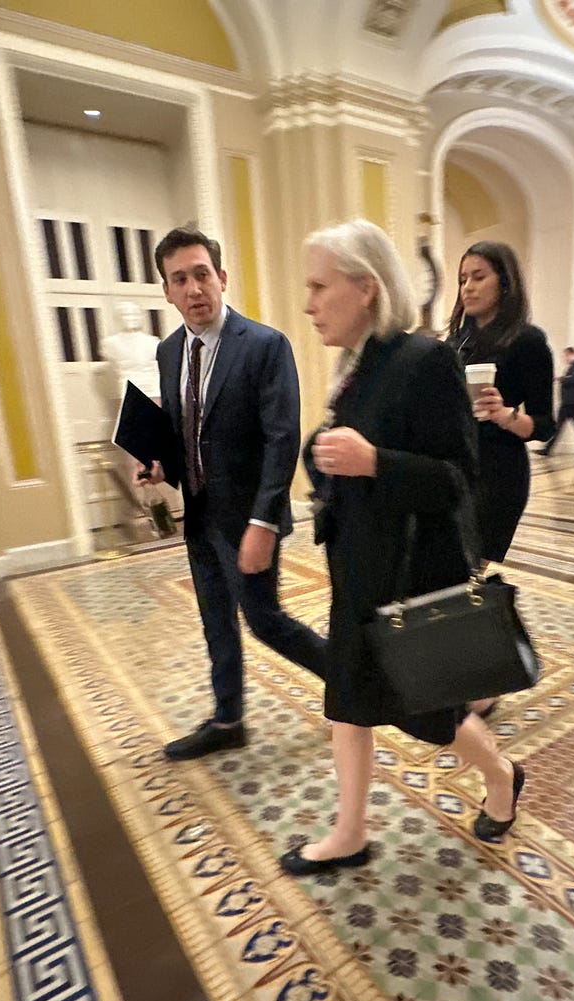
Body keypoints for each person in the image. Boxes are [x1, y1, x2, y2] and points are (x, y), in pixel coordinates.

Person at [282, 220, 525, 876]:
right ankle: (350, 831)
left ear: (364, 288)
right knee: (349, 702)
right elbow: (348, 447)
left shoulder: (423, 359)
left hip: (411, 575)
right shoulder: (355, 363)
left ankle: (501, 776)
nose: (308, 304)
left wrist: (375, 463)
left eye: (318, 286)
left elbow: (458, 477)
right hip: (358, 568)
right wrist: (328, 454)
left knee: (430, 712)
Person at [140, 227, 327, 761]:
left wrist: (264, 523)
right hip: (199, 514)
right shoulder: (169, 352)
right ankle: (228, 719)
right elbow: (185, 430)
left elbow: (282, 438)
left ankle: (347, 678)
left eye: (202, 274)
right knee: (215, 621)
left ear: (222, 278)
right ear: (167, 292)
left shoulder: (265, 346)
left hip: (248, 519)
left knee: (265, 621)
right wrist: (160, 465)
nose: (195, 287)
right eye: (181, 279)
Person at [446, 242, 555, 568]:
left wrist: (506, 416)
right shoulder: (455, 341)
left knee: (468, 572)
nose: (468, 287)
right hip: (455, 466)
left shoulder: (527, 341)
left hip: (498, 472)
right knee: (442, 569)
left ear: (504, 282)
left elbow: (545, 425)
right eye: (463, 279)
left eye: (478, 277)